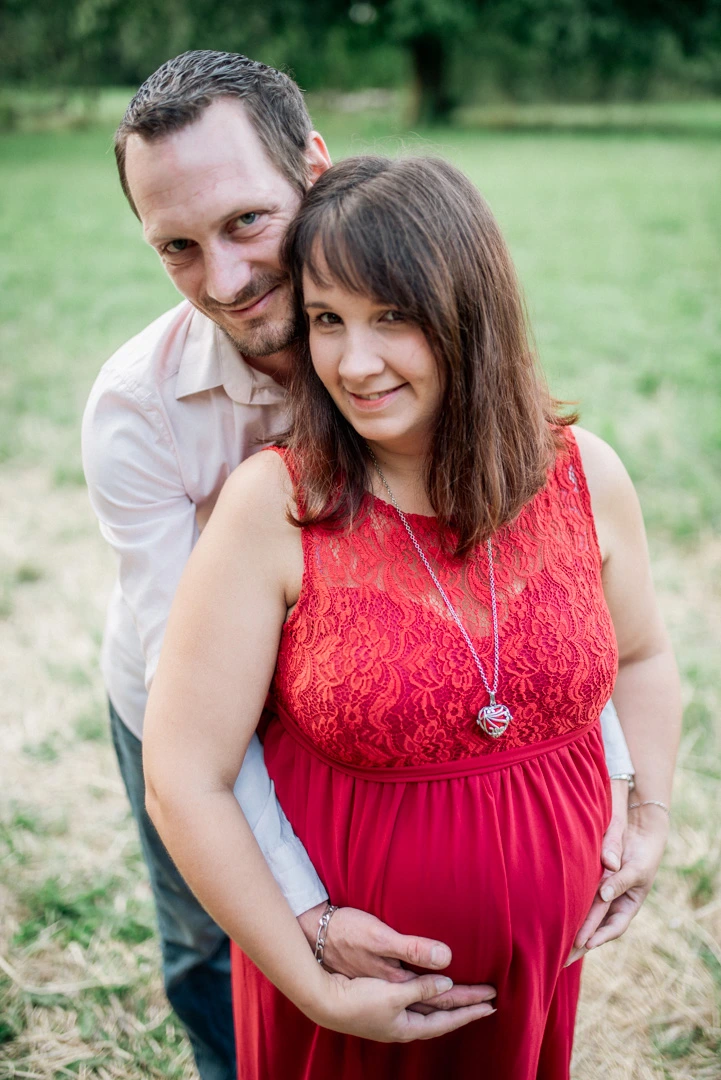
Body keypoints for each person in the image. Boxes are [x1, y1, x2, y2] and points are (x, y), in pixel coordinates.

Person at [82, 50, 647, 1078]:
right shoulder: (138, 413)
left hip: (364, 691)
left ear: (315, 169)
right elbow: (191, 743)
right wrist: (306, 933)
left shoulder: (415, 337)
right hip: (188, 689)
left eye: (247, 222)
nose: (227, 279)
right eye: (177, 246)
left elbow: (544, 600)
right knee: (213, 947)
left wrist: (621, 799)